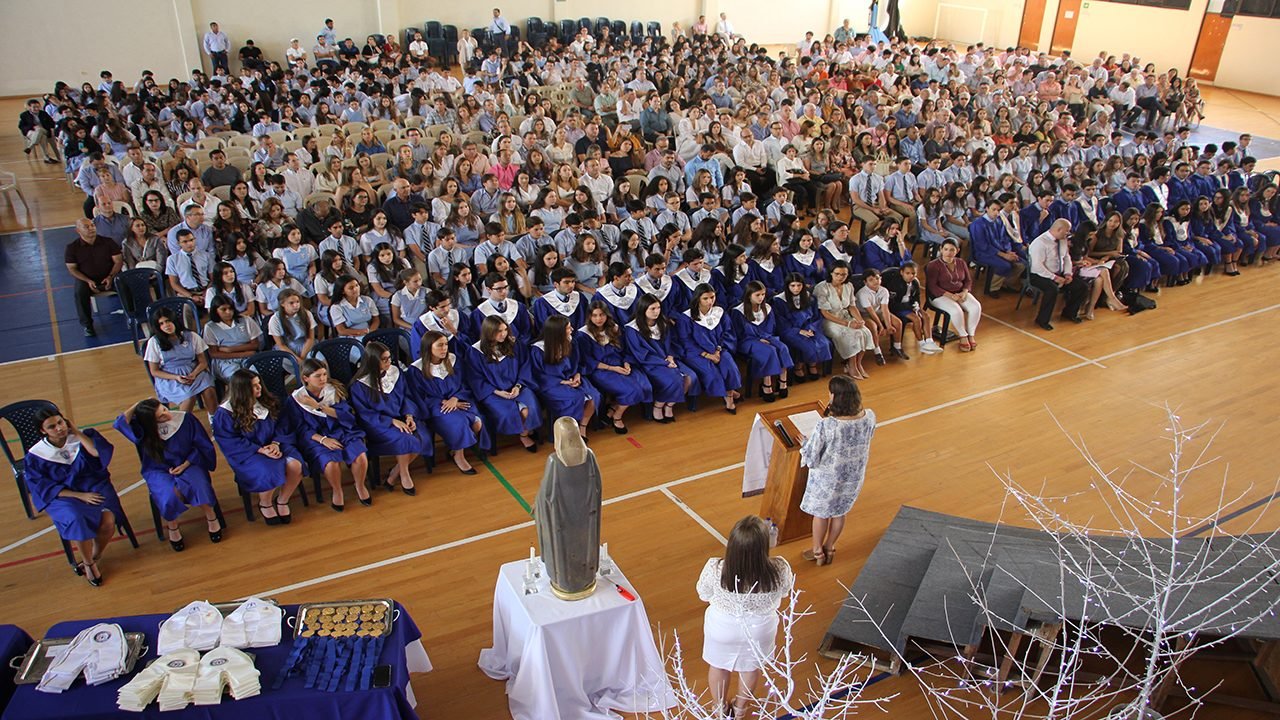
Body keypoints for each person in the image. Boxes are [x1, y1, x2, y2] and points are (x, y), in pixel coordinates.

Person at [696, 515, 794, 718]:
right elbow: (785, 592)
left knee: (719, 666)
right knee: (750, 668)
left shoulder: (715, 569)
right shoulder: (780, 569)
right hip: (760, 629)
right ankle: (740, 709)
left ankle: (720, 709)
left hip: (723, 628)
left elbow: (703, 594)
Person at [24, 406, 123, 586]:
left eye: (60, 422)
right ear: (43, 431)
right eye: (52, 427)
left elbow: (97, 453)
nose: (59, 428)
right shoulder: (36, 456)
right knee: (77, 518)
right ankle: (88, 563)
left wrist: (76, 432)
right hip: (62, 496)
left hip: (92, 486)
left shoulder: (80, 438)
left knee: (108, 521)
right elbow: (43, 487)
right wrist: (79, 496)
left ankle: (96, 554)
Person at [114, 399, 221, 552]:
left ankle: (211, 516)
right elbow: (119, 423)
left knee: (199, 485)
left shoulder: (185, 419)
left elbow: (202, 445)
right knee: (169, 494)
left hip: (189, 462)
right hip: (157, 469)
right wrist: (137, 405)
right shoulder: (142, 429)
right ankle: (173, 526)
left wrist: (186, 463)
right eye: (161, 416)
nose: (167, 414)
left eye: (164, 409)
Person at [798, 375, 875, 566]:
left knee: (821, 514)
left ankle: (817, 552)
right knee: (839, 512)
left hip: (828, 478)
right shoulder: (869, 416)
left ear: (834, 397)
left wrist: (804, 443)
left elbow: (812, 456)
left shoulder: (828, 425)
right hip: (853, 475)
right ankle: (830, 547)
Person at [212, 370, 305, 525]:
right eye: (254, 386)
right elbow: (230, 441)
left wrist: (275, 443)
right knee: (268, 470)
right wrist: (261, 450)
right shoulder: (225, 413)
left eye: (258, 383)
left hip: (276, 444)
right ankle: (266, 502)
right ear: (242, 390)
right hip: (248, 453)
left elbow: (283, 425)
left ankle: (282, 500)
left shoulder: (267, 401)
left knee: (295, 465)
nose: (259, 388)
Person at [350, 342, 433, 495]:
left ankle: (394, 474)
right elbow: (365, 414)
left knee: (424, 437)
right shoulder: (360, 385)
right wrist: (392, 421)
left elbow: (407, 397)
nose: (389, 362)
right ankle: (405, 475)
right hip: (379, 424)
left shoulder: (396, 373)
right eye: (384, 359)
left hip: (402, 416)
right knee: (405, 439)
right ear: (373, 361)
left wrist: (409, 416)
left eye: (389, 358)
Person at [289, 358, 371, 509]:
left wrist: (319, 407)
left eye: (324, 374)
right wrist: (323, 440)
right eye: (318, 376)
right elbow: (299, 428)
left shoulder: (333, 391)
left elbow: (346, 416)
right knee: (331, 463)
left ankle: (359, 485)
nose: (323, 379)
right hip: (315, 437)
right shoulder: (297, 398)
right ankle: (337, 491)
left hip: (341, 430)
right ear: (306, 378)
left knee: (360, 455)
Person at [410, 331, 489, 474]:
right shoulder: (417, 370)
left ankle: (454, 450)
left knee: (477, 422)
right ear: (428, 347)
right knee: (460, 422)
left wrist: (455, 399)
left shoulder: (454, 361)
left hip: (459, 400)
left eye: (446, 344)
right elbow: (420, 397)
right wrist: (445, 403)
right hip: (436, 408)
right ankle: (459, 456)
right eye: (440, 345)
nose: (445, 348)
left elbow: (465, 384)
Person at [465, 316, 543, 451]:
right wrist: (497, 392)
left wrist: (518, 386)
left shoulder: (514, 344)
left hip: (519, 386)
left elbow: (525, 366)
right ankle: (525, 433)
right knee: (509, 413)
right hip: (492, 393)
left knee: (529, 408)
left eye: (505, 329)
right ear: (489, 332)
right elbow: (475, 379)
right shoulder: (475, 352)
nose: (503, 334)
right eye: (499, 331)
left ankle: (524, 434)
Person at [579, 300, 653, 433]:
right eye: (594, 315)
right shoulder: (583, 334)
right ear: (589, 317)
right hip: (601, 370)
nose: (598, 319)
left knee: (645, 386)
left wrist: (626, 363)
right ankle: (617, 416)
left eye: (602, 315)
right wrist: (612, 368)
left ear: (607, 315)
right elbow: (587, 361)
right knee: (632, 390)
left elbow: (626, 350)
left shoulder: (615, 328)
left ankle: (613, 408)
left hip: (620, 365)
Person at [624, 293, 700, 423]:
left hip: (668, 359)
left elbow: (672, 343)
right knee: (674, 379)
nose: (656, 312)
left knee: (691, 377)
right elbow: (640, 353)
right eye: (652, 309)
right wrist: (664, 362)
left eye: (658, 308)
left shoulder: (663, 323)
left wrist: (670, 356)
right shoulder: (632, 329)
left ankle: (669, 405)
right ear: (643, 309)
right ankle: (658, 406)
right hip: (649, 363)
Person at [530, 316, 602, 439]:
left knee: (594, 396)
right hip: (551, 384)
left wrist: (577, 374)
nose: (572, 330)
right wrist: (562, 382)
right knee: (575, 398)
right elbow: (538, 375)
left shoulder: (571, 341)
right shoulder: (539, 349)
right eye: (568, 328)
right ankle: (567, 431)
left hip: (572, 378)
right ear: (557, 332)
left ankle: (581, 428)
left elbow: (578, 363)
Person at [677, 283, 742, 414]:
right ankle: (730, 395)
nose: (710, 302)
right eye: (705, 298)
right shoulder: (686, 317)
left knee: (729, 366)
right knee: (711, 372)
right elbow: (686, 341)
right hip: (696, 353)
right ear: (698, 299)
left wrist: (718, 350)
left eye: (712, 297)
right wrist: (707, 355)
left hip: (719, 349)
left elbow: (728, 333)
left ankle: (729, 397)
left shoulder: (719, 312)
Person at [144, 306, 219, 412]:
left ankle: (214, 420)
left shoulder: (192, 336)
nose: (166, 325)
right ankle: (183, 423)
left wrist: (194, 374)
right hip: (169, 376)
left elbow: (203, 362)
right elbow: (154, 371)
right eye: (161, 323)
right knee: (188, 396)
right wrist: (176, 377)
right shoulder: (154, 342)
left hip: (193, 371)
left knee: (209, 390)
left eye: (168, 321)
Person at [814, 261, 875, 379]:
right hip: (829, 320)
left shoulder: (849, 286)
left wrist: (859, 320)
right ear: (831, 273)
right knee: (853, 334)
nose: (840, 277)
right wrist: (848, 324)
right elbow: (824, 313)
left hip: (846, 316)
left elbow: (851, 306)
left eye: (844, 275)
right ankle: (851, 365)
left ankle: (858, 363)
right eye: (837, 274)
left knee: (865, 332)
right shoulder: (822, 287)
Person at [64, 218, 122, 337]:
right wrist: (88, 280)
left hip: (109, 275)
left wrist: (110, 276)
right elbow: (72, 268)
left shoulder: (108, 242)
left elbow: (118, 261)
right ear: (78, 230)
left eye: (92, 225)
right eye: (86, 227)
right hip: (87, 280)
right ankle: (87, 325)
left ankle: (133, 315)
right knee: (80, 293)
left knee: (125, 286)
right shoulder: (72, 248)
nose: (91, 228)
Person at [1028, 218, 1088, 330]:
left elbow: (1066, 258)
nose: (1069, 234)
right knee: (1052, 289)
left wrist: (1068, 274)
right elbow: (1037, 267)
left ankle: (1069, 312)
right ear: (1059, 229)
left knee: (1082, 287)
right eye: (1067, 231)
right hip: (1040, 275)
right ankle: (1042, 320)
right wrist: (1054, 277)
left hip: (1059, 273)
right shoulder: (1040, 242)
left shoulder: (1063, 240)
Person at [925, 239, 982, 351]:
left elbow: (968, 281)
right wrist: (951, 296)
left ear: (957, 251)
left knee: (976, 306)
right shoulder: (933, 265)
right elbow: (933, 287)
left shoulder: (961, 262)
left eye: (952, 250)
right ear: (941, 250)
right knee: (956, 310)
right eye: (945, 249)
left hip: (960, 292)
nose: (948, 252)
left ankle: (971, 334)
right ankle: (963, 336)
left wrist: (964, 292)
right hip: (940, 295)